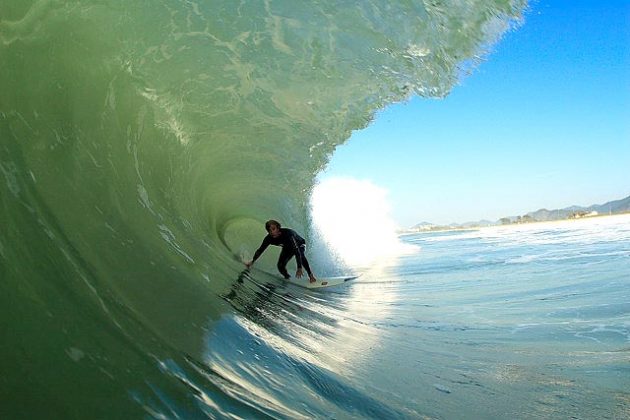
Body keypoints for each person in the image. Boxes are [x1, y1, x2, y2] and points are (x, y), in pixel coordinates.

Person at [245, 220, 317, 283]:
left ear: (278, 228)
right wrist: (252, 261)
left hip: (299, 244)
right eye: (269, 230)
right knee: (280, 266)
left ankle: (311, 275)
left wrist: (299, 268)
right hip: (287, 247)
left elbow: (296, 250)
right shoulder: (269, 239)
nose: (272, 232)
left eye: (273, 229)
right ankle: (287, 278)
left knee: (301, 256)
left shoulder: (288, 234)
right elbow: (260, 250)